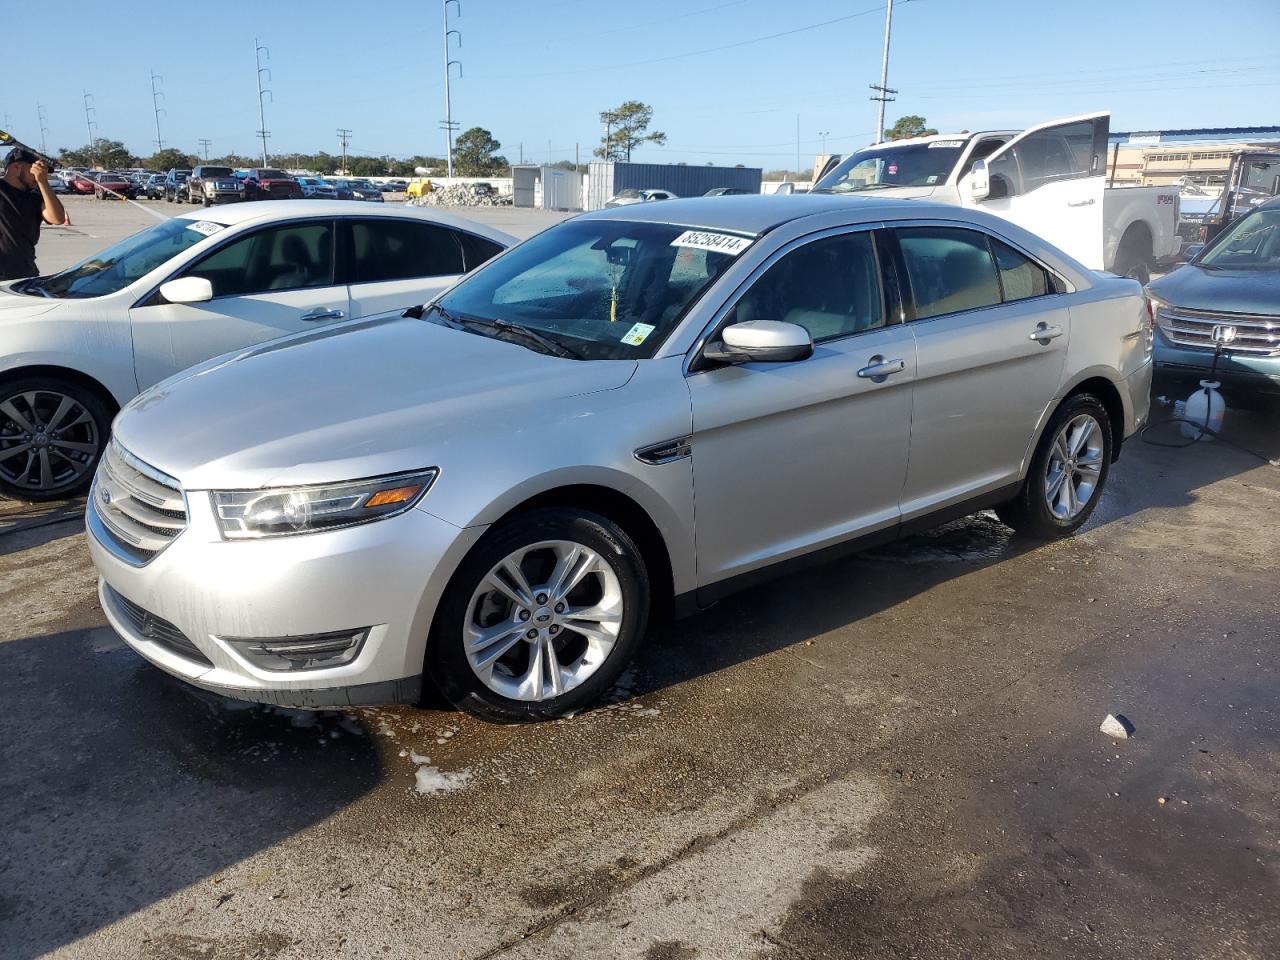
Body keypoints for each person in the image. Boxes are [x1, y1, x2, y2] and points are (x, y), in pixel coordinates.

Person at [0, 147, 67, 281]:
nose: (39, 175)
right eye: (35, 170)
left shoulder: (36, 196)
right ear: (16, 167)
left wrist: (43, 182)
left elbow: (57, 218)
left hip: (24, 274)